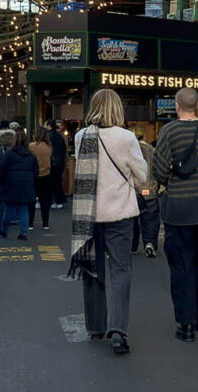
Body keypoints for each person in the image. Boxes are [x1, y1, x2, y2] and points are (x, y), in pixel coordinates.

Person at [67, 89, 146, 355]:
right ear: (117, 109)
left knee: (92, 268)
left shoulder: (80, 137)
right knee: (120, 271)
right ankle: (118, 331)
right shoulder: (126, 138)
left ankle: (95, 325)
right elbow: (143, 175)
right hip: (119, 215)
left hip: (88, 215)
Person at [151, 88, 198, 343]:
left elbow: (160, 170)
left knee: (181, 264)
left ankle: (185, 323)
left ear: (176, 105)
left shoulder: (169, 132)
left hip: (180, 208)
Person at [0, 130, 39, 240]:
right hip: (27, 183)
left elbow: (3, 169)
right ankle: (23, 233)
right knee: (24, 209)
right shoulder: (31, 155)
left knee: (9, 208)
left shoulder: (10, 154)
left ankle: (4, 230)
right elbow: (36, 172)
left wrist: (2, 181)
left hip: (12, 182)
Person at [131, 126, 160, 258]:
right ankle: (150, 243)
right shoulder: (152, 151)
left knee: (132, 220)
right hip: (149, 190)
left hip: (133, 191)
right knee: (150, 219)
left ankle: (132, 245)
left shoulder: (130, 151)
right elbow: (159, 170)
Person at [29, 126, 53, 230]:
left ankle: (30, 223)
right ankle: (45, 223)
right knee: (45, 201)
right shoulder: (49, 146)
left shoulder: (32, 146)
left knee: (31, 200)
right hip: (47, 175)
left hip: (34, 175)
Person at [47, 119, 67, 209]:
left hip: (53, 162)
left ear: (49, 126)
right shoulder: (59, 136)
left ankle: (56, 200)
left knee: (52, 183)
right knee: (57, 182)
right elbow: (63, 149)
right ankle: (59, 199)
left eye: (45, 124)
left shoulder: (49, 136)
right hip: (59, 162)